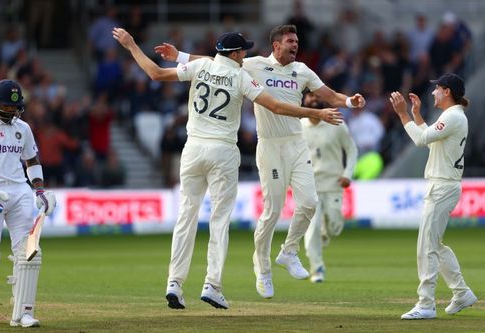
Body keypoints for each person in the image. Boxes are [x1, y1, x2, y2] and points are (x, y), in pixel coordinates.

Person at [112, 27, 342, 310]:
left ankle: (174, 282)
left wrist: (132, 45)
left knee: (186, 216)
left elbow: (156, 74)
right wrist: (316, 113)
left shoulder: (202, 65)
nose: (245, 54)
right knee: (219, 221)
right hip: (222, 151)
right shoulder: (241, 76)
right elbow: (277, 107)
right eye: (242, 50)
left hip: (193, 149)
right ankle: (212, 285)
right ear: (234, 54)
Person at [389, 73, 477, 320]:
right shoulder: (451, 117)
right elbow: (430, 141)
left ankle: (426, 304)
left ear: (447, 91)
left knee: (426, 246)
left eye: (437, 89)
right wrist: (416, 114)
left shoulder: (452, 116)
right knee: (435, 245)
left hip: (442, 187)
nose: (433, 93)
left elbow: (419, 140)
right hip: (443, 185)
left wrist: (402, 113)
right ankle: (461, 293)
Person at [0, 79, 56, 327]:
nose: (12, 111)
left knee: (29, 252)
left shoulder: (23, 128)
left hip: (19, 191)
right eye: (7, 106)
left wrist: (39, 190)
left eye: (16, 107)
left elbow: (32, 160)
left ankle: (23, 312)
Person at [301, 93, 358, 283]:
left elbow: (351, 150)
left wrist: (347, 174)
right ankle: (316, 268)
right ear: (304, 101)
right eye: (309, 97)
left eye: (316, 96)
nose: (313, 99)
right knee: (312, 228)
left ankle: (326, 230)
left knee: (335, 226)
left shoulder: (337, 123)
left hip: (334, 184)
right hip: (310, 186)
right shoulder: (299, 127)